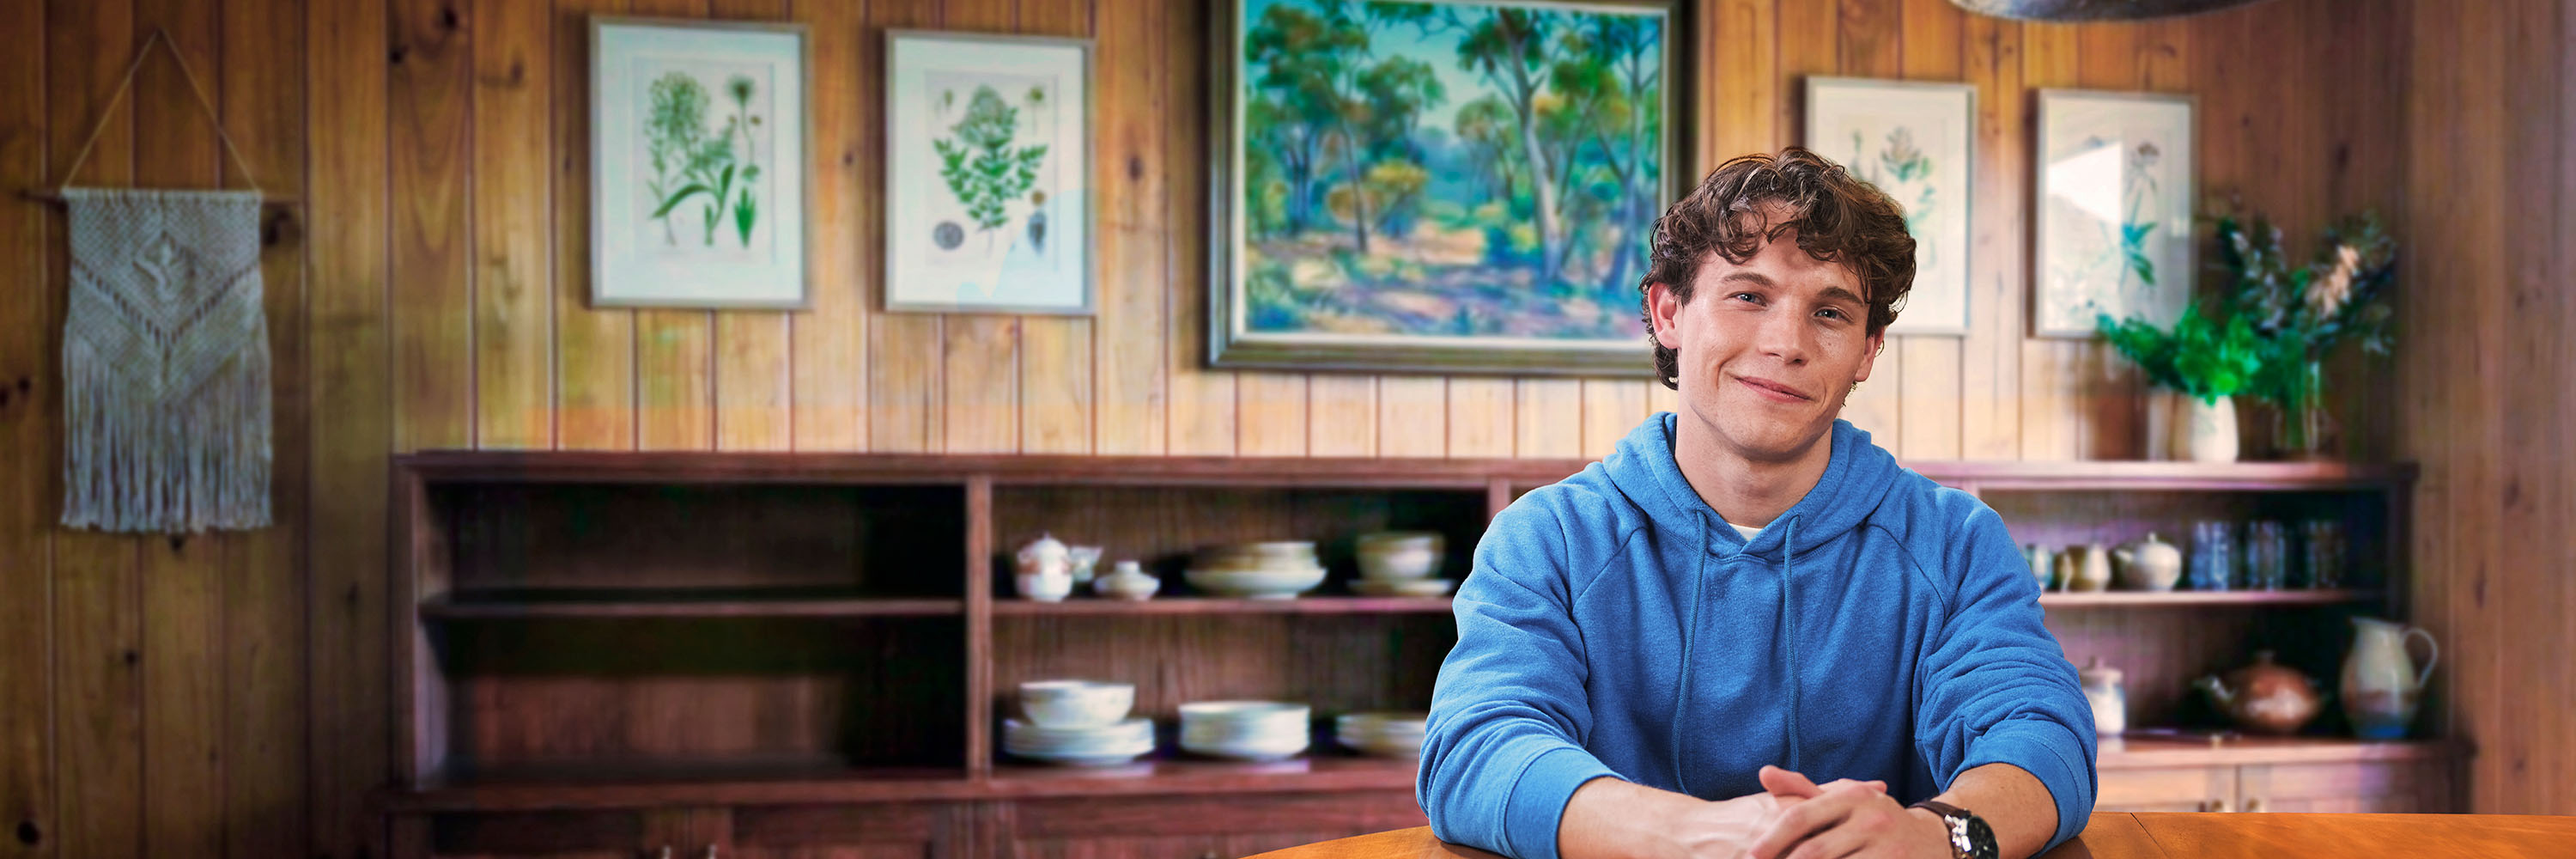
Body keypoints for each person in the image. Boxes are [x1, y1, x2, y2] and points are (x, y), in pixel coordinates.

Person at [1418, 149, 2095, 859]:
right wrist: (1697, 834)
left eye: (1829, 312)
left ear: (1867, 351)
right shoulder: (1546, 539)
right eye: (1749, 296)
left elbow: (2043, 735)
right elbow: (1476, 748)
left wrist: (1933, 836)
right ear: (1669, 311)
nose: (1786, 344)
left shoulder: (1956, 543)